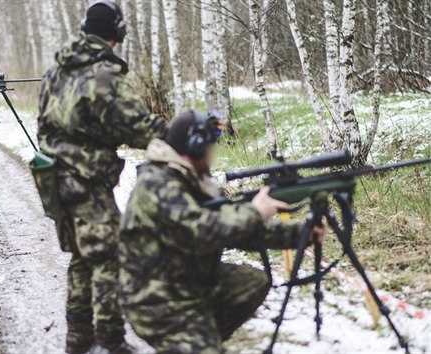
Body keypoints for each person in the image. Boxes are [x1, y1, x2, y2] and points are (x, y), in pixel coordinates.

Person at [118, 110, 327, 353]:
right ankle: (188, 341)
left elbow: (239, 228)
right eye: (209, 146)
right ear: (194, 147)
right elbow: (202, 232)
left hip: (188, 282)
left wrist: (301, 235)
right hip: (154, 298)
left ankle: (201, 338)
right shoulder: (157, 183)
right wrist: (255, 211)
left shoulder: (194, 179)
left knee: (252, 282)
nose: (212, 153)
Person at [36, 1, 169, 352]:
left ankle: (78, 338)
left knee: (82, 256)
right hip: (87, 182)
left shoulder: (55, 72)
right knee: (111, 255)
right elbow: (139, 128)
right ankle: (111, 338)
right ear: (117, 32)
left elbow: (45, 125)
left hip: (55, 182)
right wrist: (180, 134)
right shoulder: (105, 76)